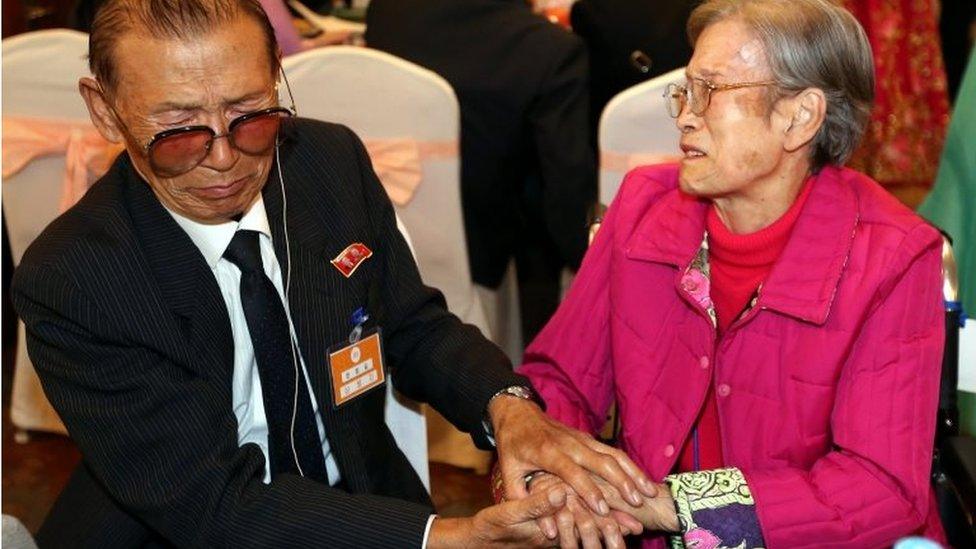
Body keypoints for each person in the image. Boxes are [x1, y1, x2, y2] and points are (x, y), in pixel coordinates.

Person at [11, 1, 658, 547]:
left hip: (360, 493)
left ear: (277, 77)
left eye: (252, 115)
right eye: (179, 133)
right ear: (105, 110)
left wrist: (508, 409)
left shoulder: (325, 161)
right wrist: (444, 536)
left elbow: (412, 325)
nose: (225, 158)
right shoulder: (75, 279)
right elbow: (211, 504)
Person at [514, 0, 948, 546]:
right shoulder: (644, 205)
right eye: (686, 91)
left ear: (800, 117)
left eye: (711, 92)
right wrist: (558, 474)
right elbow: (562, 380)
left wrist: (674, 507)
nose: (685, 116)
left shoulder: (893, 256)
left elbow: (880, 486)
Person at [366, 0, 597, 344]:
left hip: (376, 243)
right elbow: (569, 205)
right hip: (480, 258)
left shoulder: (387, 12)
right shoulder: (549, 49)